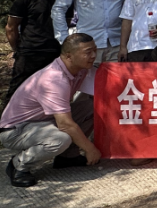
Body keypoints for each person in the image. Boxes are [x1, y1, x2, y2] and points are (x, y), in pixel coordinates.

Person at [0, 34, 100, 188]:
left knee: (94, 108)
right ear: (69, 56)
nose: (93, 55)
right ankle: (19, 164)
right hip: (15, 130)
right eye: (88, 52)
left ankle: (68, 157)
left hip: (45, 120)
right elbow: (65, 125)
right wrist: (90, 148)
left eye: (95, 50)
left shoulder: (80, 69)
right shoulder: (54, 79)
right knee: (60, 138)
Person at [4, 0, 64, 108]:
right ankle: (6, 120)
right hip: (30, 53)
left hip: (55, 53)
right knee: (18, 91)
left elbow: (68, 24)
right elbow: (11, 27)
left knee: (51, 93)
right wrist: (18, 50)